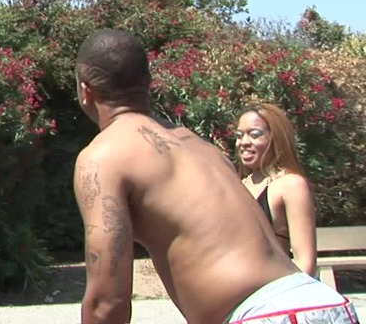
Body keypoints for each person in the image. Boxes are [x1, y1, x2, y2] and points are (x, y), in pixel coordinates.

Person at [71, 28, 359, 324]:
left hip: (265, 315)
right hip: (327, 304)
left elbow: (107, 303)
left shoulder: (103, 157)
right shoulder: (202, 148)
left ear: (85, 90)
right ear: (148, 83)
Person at [235, 103, 318, 275]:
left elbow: (305, 261)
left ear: (275, 138)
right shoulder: (239, 185)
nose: (244, 142)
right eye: (239, 135)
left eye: (255, 135)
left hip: (276, 286)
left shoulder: (291, 185)